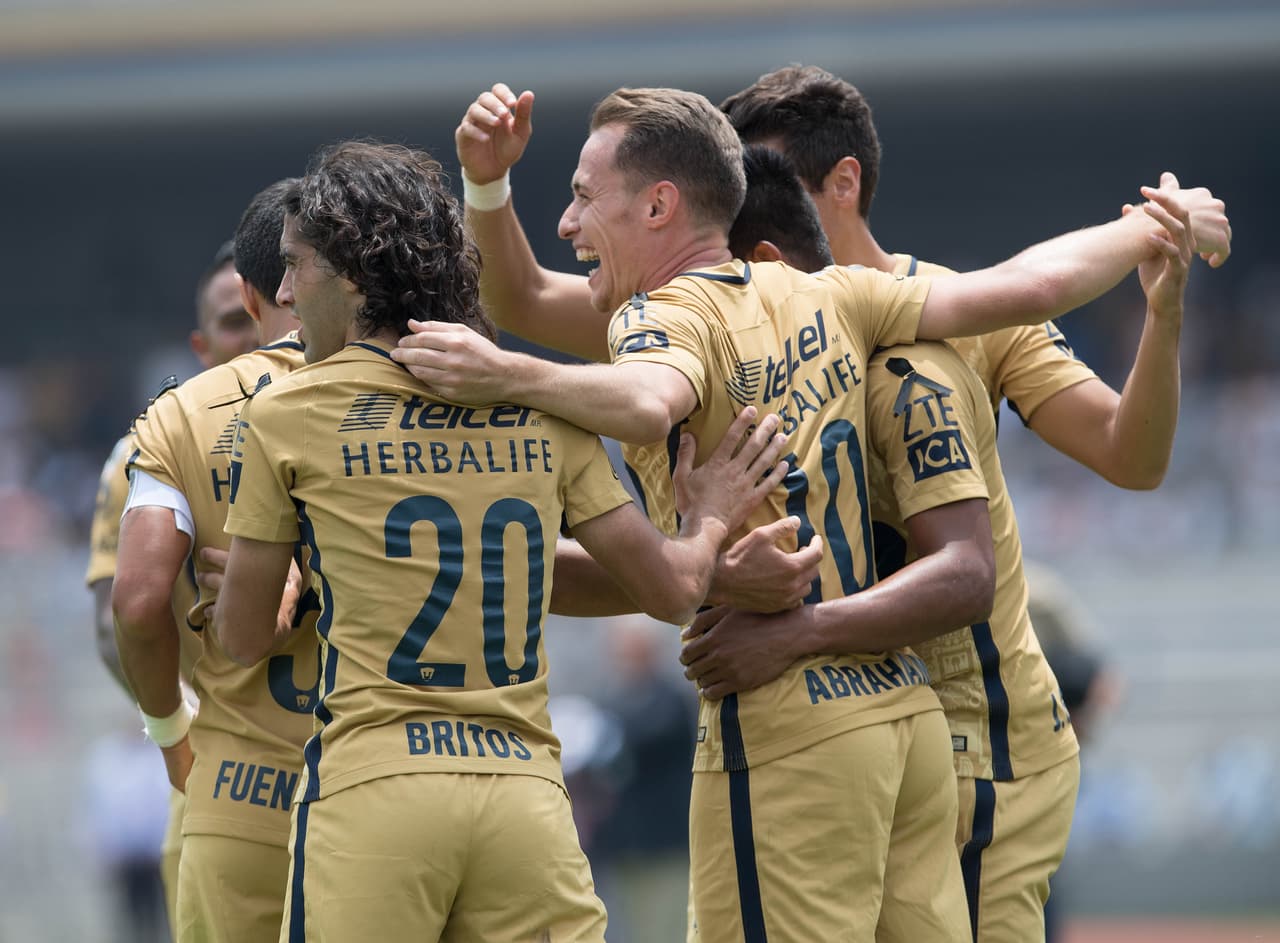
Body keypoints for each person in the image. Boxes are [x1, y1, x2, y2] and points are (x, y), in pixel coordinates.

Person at [392, 84, 1229, 940]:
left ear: (836, 185)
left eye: (579, 197)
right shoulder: (838, 301)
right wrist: (1152, 226)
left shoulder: (708, 319)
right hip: (904, 717)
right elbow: (1030, 282)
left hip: (939, 730)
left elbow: (649, 398)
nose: (752, 188)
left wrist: (509, 377)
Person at [210, 139, 790, 941]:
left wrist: (299, 584)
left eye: (296, 264)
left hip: (377, 790)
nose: (283, 289)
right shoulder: (545, 406)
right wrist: (713, 518)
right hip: (525, 801)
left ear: (349, 274)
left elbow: (240, 636)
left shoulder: (286, 412)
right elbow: (668, 589)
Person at [678, 143, 1192, 942]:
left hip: (985, 735)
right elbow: (548, 300)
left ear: (837, 188)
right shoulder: (744, 341)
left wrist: (1161, 310)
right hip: (884, 724)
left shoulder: (943, 326)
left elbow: (1129, 454)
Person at [112, 177, 320, 943]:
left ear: (258, 291)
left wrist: (171, 735)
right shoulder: (419, 393)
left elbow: (132, 603)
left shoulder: (176, 416)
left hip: (236, 786)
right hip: (390, 778)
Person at [84, 239, 261, 934]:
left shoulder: (338, 427)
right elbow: (115, 620)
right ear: (200, 342)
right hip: (217, 769)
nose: (250, 336)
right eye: (231, 321)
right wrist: (176, 724)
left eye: (264, 312)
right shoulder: (143, 451)